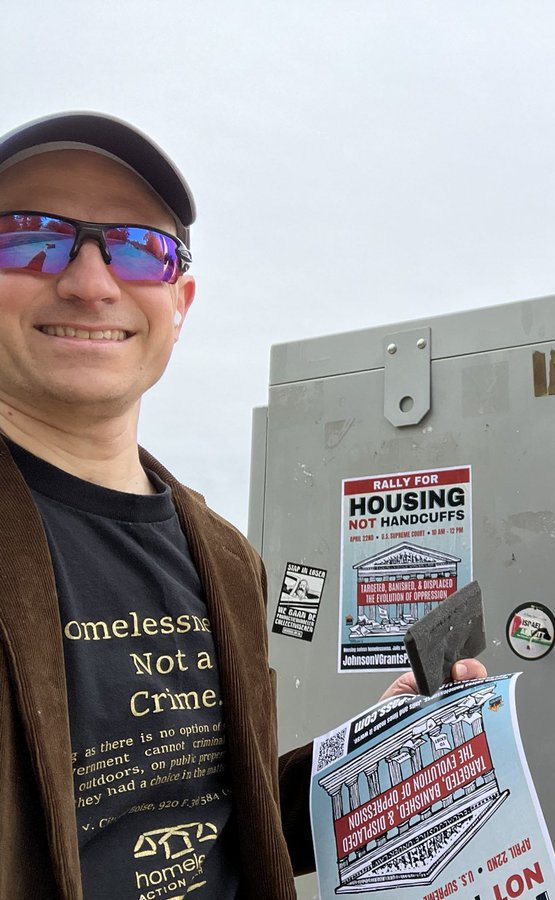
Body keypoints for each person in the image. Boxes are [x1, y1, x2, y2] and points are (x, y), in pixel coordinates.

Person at [0, 112, 485, 897]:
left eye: (135, 249)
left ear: (179, 301)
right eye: (29, 236)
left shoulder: (224, 557)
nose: (90, 283)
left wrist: (381, 751)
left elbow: (234, 816)